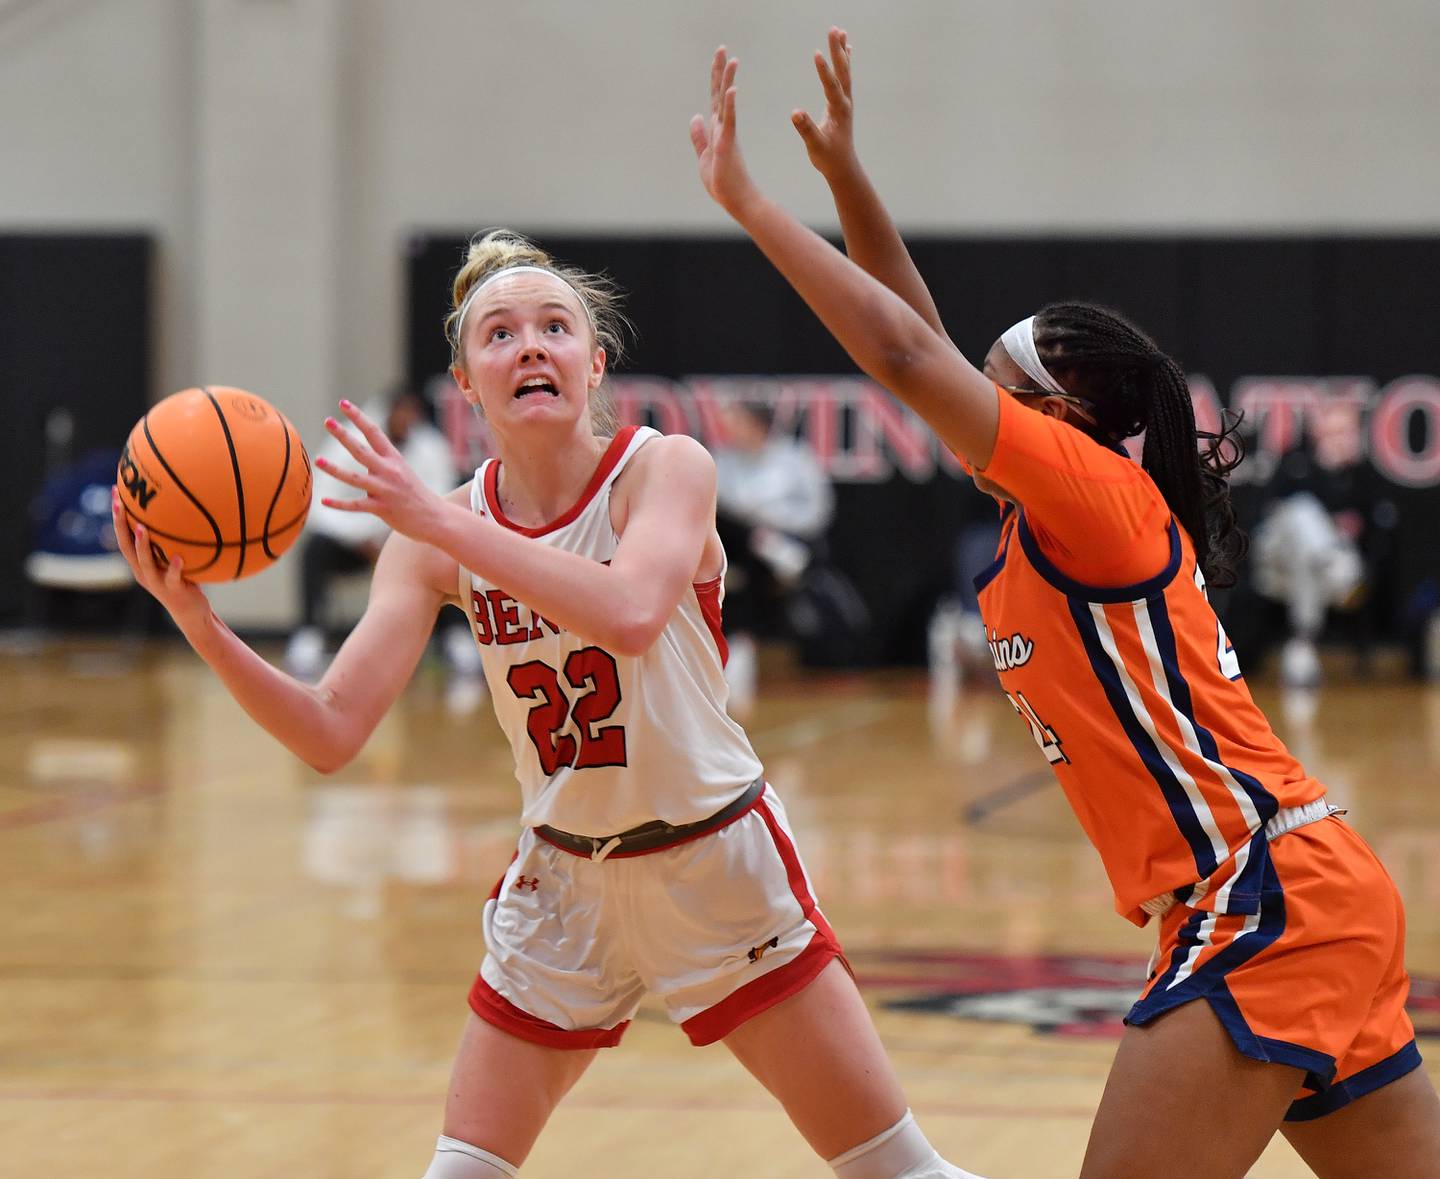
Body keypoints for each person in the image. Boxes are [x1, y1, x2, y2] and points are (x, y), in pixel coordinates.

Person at [691, 32, 1440, 1178]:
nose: (964, 400)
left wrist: (749, 206)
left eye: (992, 394)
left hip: (1261, 900)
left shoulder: (1095, 497)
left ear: (1064, 421)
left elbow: (900, 353)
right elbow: (919, 338)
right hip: (1306, 891)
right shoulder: (1058, 509)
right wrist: (847, 176)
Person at [110, 229, 985, 1179]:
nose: (530, 345)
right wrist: (197, 621)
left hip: (714, 867)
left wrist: (439, 519)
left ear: (594, 361)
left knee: (899, 1172)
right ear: (467, 381)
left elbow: (633, 612)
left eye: (555, 327)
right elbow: (329, 728)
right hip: (564, 887)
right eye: (499, 333)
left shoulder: (665, 469)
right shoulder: (434, 534)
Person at [284, 384, 479, 686]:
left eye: (411, 413)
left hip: (414, 544)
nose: (406, 420)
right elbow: (319, 500)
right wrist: (365, 536)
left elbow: (442, 503)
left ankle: (456, 638)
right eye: (400, 412)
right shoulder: (349, 443)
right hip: (357, 546)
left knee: (452, 554)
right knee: (315, 550)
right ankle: (309, 635)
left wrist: (398, 538)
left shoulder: (429, 447)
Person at [713, 396, 836, 711]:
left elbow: (818, 510)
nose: (730, 431)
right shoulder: (722, 460)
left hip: (792, 538)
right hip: (742, 544)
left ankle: (742, 643)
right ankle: (738, 644)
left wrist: (775, 521)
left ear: (757, 425)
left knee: (757, 557)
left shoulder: (795, 459)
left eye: (737, 422)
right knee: (741, 538)